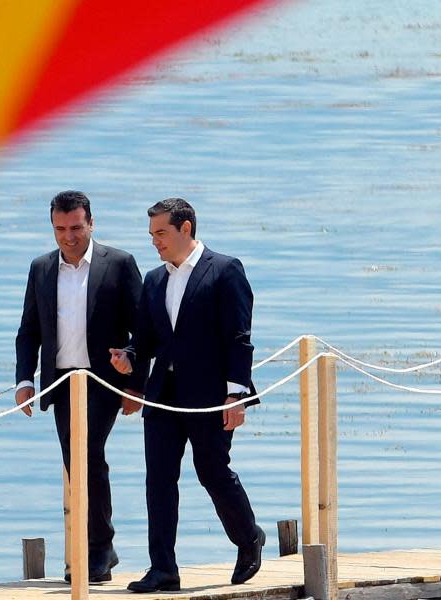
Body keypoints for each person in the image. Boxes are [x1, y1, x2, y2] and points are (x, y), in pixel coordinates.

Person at [109, 198, 264, 593]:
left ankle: (249, 539)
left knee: (212, 471)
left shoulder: (225, 270)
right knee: (159, 480)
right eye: (152, 235)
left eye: (161, 233)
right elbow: (144, 341)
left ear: (186, 229)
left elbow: (238, 338)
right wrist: (128, 360)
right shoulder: (154, 279)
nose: (155, 242)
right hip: (163, 396)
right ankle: (163, 569)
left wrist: (237, 396)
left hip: (211, 395)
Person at [14, 190, 143, 583]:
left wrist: (135, 384)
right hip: (61, 381)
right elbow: (29, 330)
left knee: (86, 456)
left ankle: (98, 551)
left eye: (75, 227)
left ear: (91, 223)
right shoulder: (40, 268)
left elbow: (144, 330)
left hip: (102, 380)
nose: (68, 236)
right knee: (77, 461)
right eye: (59, 229)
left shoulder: (119, 263)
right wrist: (24, 380)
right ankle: (99, 549)